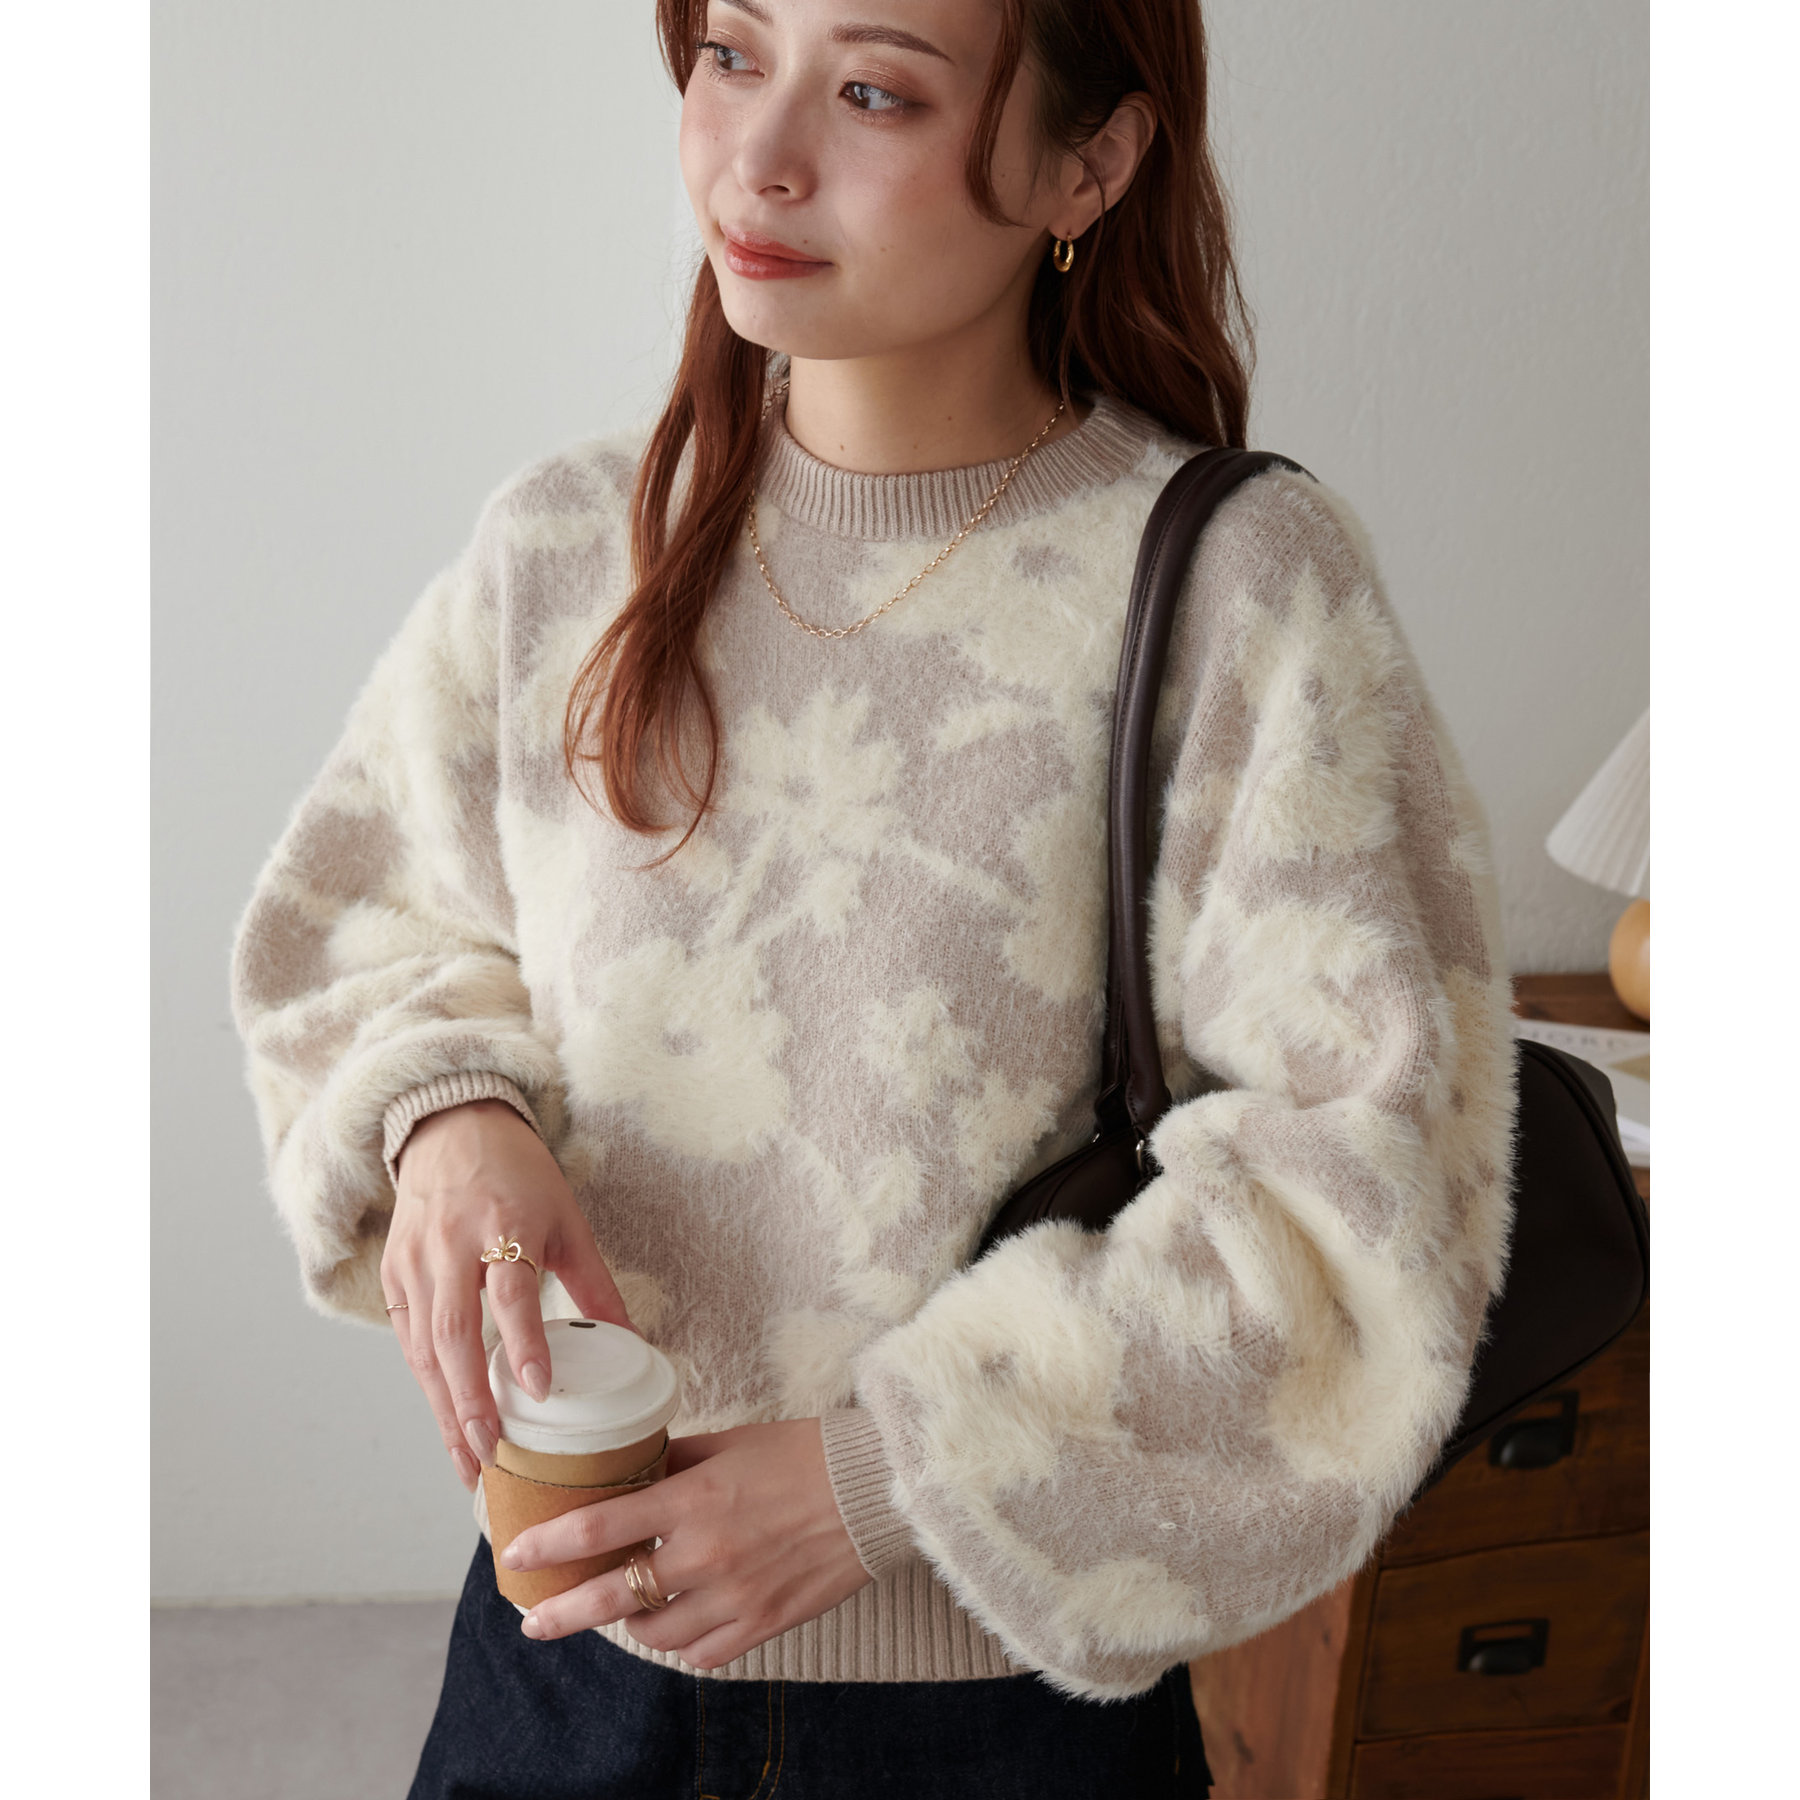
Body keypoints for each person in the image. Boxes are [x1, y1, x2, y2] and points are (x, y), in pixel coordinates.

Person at [230, 1, 1518, 1794]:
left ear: (1090, 162)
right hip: (558, 1666)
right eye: (730, 53)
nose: (758, 158)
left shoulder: (1238, 591)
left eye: (873, 91)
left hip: (995, 1723)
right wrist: (450, 1117)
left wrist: (880, 1477)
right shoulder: (568, 548)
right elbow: (356, 931)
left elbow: (1370, 1191)